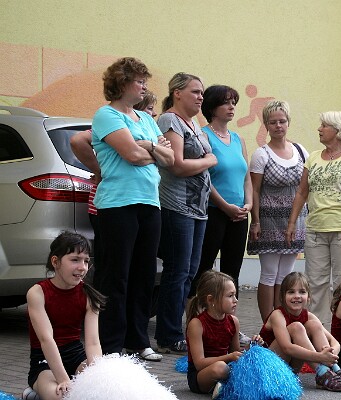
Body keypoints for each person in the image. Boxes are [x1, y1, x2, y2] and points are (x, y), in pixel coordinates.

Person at [91, 57, 174, 362]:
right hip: (118, 204)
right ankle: (111, 345)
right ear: (123, 83)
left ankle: (138, 341)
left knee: (144, 274)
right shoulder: (107, 115)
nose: (143, 87)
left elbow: (171, 159)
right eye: (139, 81)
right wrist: (152, 148)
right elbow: (132, 156)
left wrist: (147, 147)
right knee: (116, 276)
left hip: (149, 203)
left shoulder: (146, 119)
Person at [70, 91, 162, 290]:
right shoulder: (113, 122)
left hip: (144, 201)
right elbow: (78, 140)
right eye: (149, 108)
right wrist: (99, 170)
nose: (153, 114)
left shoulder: (146, 125)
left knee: (139, 270)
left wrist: (151, 149)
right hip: (114, 202)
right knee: (113, 270)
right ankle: (103, 309)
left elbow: (169, 157)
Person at [153, 73, 217, 355]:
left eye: (202, 92)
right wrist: (209, 160)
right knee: (177, 271)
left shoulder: (195, 123)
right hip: (177, 206)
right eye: (195, 92)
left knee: (190, 271)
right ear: (177, 93)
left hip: (198, 209)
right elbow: (176, 166)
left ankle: (175, 329)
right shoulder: (170, 120)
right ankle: (168, 335)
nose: (201, 97)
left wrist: (205, 162)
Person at [285, 111, 341, 324]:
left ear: (338, 130)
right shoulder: (313, 157)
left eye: (324, 125)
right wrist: (292, 223)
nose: (319, 129)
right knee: (314, 283)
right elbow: (301, 192)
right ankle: (317, 330)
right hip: (315, 231)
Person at [24, 232, 106, 400]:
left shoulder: (89, 295)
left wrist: (96, 376)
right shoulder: (37, 293)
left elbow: (92, 342)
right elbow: (46, 339)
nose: (82, 267)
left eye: (86, 261)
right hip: (45, 361)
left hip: (76, 356)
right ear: (55, 262)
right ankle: (35, 393)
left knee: (105, 387)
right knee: (62, 396)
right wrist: (63, 379)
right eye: (75, 260)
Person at [246, 100, 309, 322]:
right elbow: (254, 190)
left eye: (282, 121)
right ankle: (268, 323)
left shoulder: (300, 151)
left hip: (296, 220)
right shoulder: (261, 154)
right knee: (269, 273)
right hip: (269, 221)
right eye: (273, 122)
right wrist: (255, 221)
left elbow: (305, 187)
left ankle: (283, 320)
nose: (278, 126)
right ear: (266, 125)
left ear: (288, 122)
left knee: (286, 275)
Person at [190, 85, 252, 296]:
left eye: (233, 102)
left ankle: (229, 314)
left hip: (239, 214)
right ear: (212, 107)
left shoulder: (238, 139)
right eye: (226, 103)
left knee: (232, 271)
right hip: (214, 211)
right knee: (203, 267)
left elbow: (246, 177)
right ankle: (198, 312)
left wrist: (248, 204)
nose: (231, 107)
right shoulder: (204, 136)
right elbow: (204, 179)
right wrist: (225, 206)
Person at [259, 272, 341, 392]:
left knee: (313, 325)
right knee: (296, 327)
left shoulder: (309, 316)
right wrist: (320, 357)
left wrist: (330, 356)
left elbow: (334, 342)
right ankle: (322, 372)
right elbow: (287, 348)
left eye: (302, 292)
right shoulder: (277, 315)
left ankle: (335, 370)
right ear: (282, 296)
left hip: (291, 368)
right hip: (268, 369)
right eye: (291, 292)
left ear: (309, 297)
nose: (297, 296)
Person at [185, 270, 242, 397]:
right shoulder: (197, 324)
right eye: (230, 296)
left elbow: (235, 352)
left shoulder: (233, 321)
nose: (236, 300)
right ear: (211, 299)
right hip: (201, 376)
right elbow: (199, 364)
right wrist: (229, 357)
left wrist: (252, 345)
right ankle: (224, 387)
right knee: (220, 368)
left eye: (235, 295)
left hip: (225, 367)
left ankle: (222, 386)